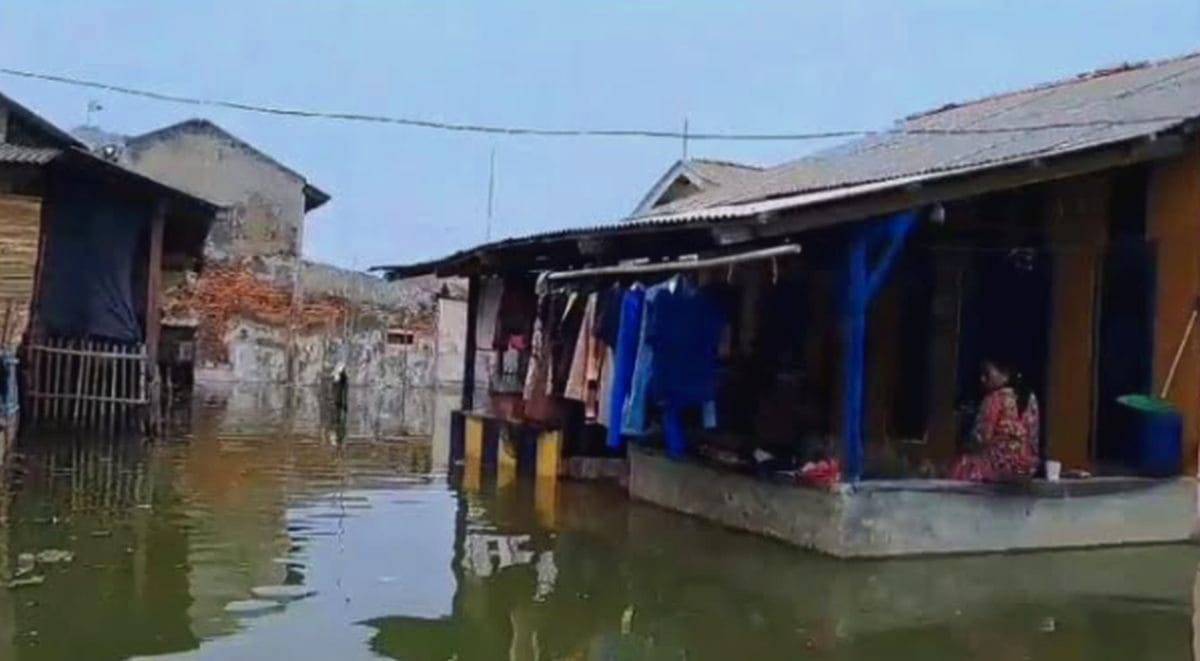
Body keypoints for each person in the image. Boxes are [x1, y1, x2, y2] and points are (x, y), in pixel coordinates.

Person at [951, 359, 1040, 483]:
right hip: (1026, 467)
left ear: (1005, 373)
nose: (982, 379)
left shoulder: (995, 398)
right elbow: (1033, 438)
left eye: (987, 374)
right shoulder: (1031, 398)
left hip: (1000, 467)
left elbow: (981, 438)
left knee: (964, 462)